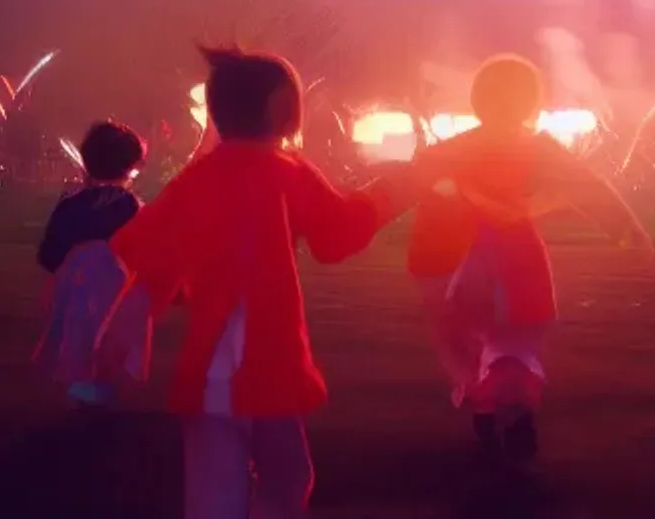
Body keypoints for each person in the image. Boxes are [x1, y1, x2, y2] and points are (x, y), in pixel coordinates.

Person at [105, 47, 424, 519]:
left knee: (216, 489)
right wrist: (388, 194)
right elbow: (337, 235)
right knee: (288, 478)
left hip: (211, 367)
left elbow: (150, 250)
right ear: (283, 110)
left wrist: (125, 324)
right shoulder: (287, 172)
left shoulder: (198, 178)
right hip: (269, 362)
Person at [406, 54, 654, 465]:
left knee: (462, 336)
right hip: (520, 261)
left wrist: (371, 224)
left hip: (462, 263)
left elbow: (410, 188)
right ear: (532, 102)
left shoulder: (450, 151)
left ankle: (478, 394)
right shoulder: (540, 149)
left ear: (477, 101)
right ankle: (517, 404)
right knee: (519, 338)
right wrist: (628, 232)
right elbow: (590, 189)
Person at [35, 121, 149, 407]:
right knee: (111, 349)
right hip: (119, 296)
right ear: (131, 165)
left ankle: (85, 396)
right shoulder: (130, 206)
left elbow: (50, 254)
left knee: (79, 345)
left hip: (77, 293)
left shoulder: (70, 205)